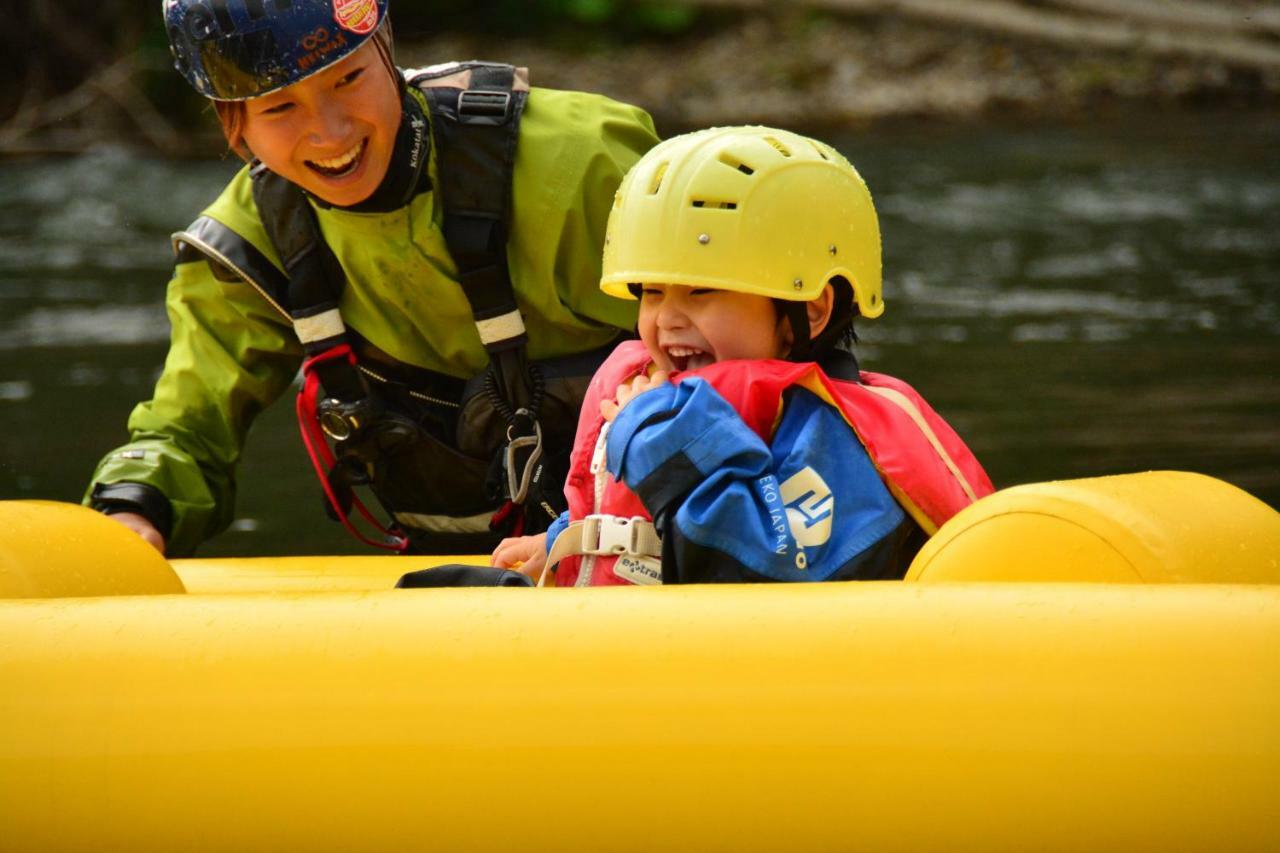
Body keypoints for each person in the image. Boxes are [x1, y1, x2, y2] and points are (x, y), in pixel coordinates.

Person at [84, 0, 659, 556]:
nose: (330, 133)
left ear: (385, 49)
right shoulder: (247, 245)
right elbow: (186, 430)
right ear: (235, 126)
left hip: (641, 551)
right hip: (448, 574)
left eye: (348, 80)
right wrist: (134, 508)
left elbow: (735, 354)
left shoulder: (582, 165)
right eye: (280, 108)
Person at [491, 126, 994, 585]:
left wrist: (666, 444)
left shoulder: (838, 434)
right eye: (652, 292)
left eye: (702, 291)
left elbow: (773, 565)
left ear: (811, 311)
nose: (666, 319)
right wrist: (570, 540)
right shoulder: (655, 397)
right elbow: (643, 521)